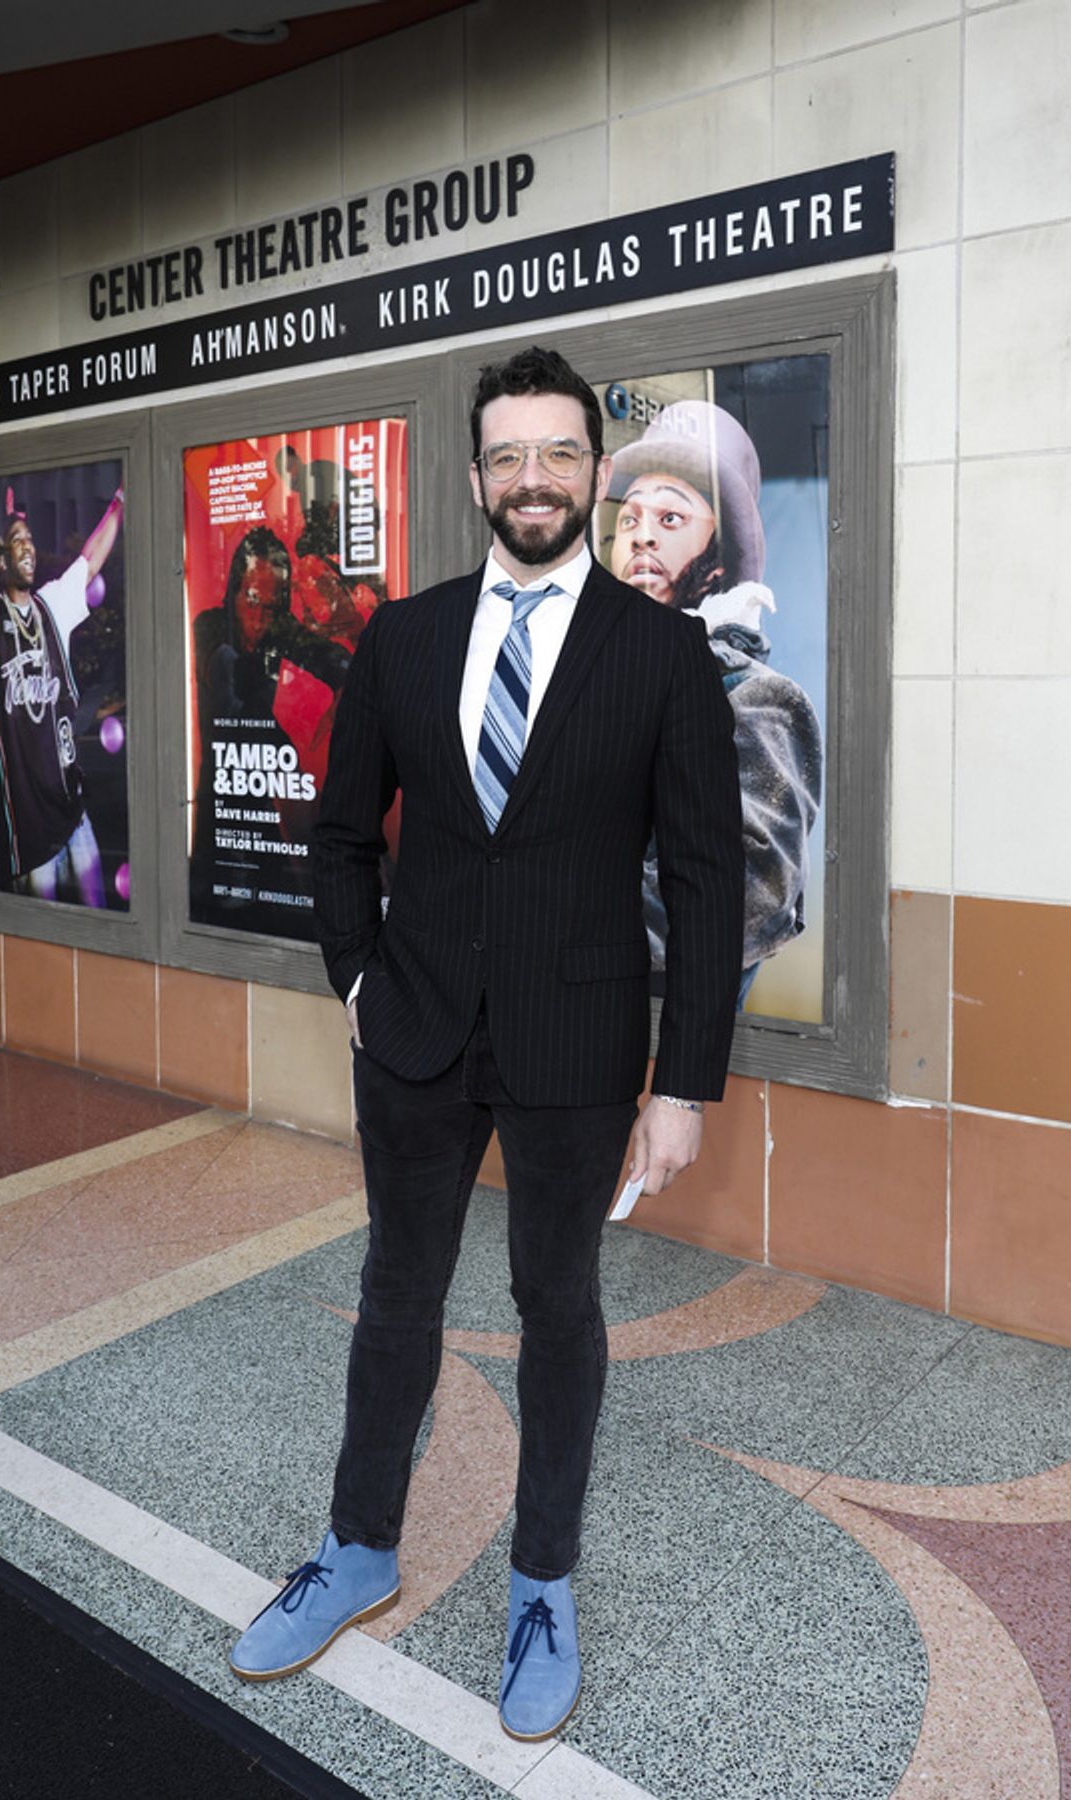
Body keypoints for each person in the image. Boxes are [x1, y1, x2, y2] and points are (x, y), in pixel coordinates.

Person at [228, 347, 744, 1740]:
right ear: (475, 477)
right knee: (395, 1298)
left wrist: (683, 1082)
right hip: (414, 1037)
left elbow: (707, 880)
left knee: (555, 1312)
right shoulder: (405, 635)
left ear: (594, 469)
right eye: (508, 456)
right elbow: (343, 838)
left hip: (579, 1047)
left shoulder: (661, 653)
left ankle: (541, 1588)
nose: (533, 479)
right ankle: (357, 1549)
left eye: (559, 455)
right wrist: (354, 985)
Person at [608, 401, 823, 1006]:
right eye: (629, 520)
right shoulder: (594, 680)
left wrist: (557, 902)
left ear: (721, 562)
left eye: (671, 518)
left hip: (658, 1050)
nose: (642, 534)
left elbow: (746, 895)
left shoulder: (760, 702)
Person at [188, 523, 351, 935]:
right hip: (222, 813)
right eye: (252, 600)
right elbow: (227, 675)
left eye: (272, 606)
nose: (259, 619)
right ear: (235, 592)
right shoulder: (211, 628)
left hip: (273, 819)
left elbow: (332, 661)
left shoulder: (283, 632)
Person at [0, 487, 124, 904]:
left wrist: (119, 503)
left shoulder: (51, 606)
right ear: (2, 561)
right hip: (27, 822)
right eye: (18, 540)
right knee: (40, 939)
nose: (29, 547)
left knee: (97, 910)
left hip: (69, 807)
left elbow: (89, 564)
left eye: (31, 538)